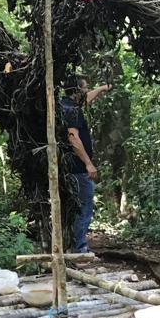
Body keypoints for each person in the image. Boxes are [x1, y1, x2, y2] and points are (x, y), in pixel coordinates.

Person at [60, 75, 110, 253]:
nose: (87, 92)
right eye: (84, 88)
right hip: (78, 168)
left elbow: (86, 99)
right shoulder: (72, 111)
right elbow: (73, 139)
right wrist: (88, 164)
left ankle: (72, 246)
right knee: (84, 207)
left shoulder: (64, 105)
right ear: (76, 91)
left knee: (74, 208)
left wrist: (103, 87)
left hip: (68, 168)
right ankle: (79, 250)